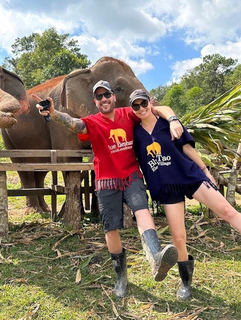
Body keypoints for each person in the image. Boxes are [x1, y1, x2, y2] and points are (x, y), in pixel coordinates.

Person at [129, 89, 241, 301]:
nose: (141, 108)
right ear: (132, 109)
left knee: (228, 211)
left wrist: (205, 170)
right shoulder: (135, 133)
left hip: (189, 176)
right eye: (136, 106)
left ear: (150, 102)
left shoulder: (168, 123)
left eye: (143, 103)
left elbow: (187, 148)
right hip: (166, 187)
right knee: (179, 238)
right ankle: (185, 283)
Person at [34, 80, 183, 299]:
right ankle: (121, 276)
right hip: (106, 181)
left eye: (107, 95)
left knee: (142, 210)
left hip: (131, 175)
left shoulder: (128, 114)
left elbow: (151, 108)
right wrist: (54, 114)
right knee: (111, 229)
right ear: (95, 102)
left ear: (114, 97)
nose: (104, 99)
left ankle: (155, 255)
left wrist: (172, 118)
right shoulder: (93, 122)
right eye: (99, 97)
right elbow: (74, 124)